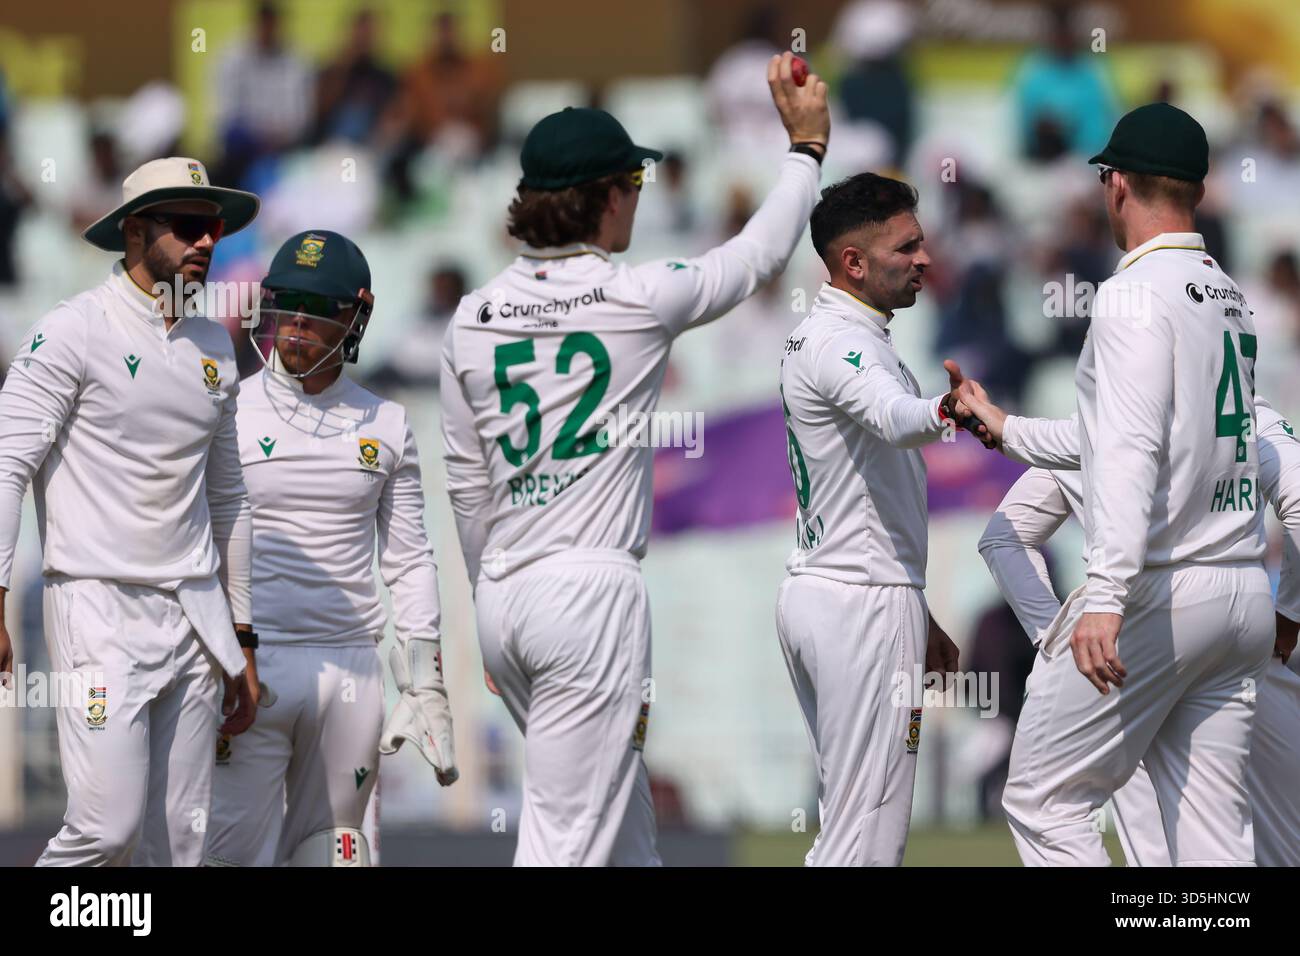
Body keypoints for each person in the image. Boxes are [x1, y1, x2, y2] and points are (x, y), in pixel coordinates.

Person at [440, 53, 829, 866]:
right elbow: (757, 257)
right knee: (567, 843)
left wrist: (491, 600)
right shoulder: (635, 298)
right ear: (606, 197)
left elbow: (467, 483)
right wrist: (805, 152)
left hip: (505, 593)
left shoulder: (471, 318)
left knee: (622, 837)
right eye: (634, 186)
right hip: (588, 592)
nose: (638, 201)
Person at [958, 103, 1274, 865]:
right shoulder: (1226, 294)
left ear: (1118, 184)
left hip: (1163, 591)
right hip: (1239, 594)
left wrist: (1103, 597)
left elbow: (1130, 453)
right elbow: (1133, 436)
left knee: (1043, 800)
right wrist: (1007, 430)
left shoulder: (1131, 294)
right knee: (1210, 837)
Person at [0, 156, 261, 866]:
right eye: (187, 227)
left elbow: (229, 497)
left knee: (177, 846)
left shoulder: (215, 345)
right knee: (105, 831)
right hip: (97, 608)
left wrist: (242, 636)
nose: (207, 242)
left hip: (194, 613)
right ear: (136, 232)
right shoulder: (72, 330)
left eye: (212, 228)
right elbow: (7, 463)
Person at [205, 230, 456, 867]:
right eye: (285, 308)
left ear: (354, 317)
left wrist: (424, 680)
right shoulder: (226, 408)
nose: (294, 329)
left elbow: (408, 558)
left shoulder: (387, 422)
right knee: (228, 856)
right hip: (249, 665)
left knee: (338, 854)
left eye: (314, 313)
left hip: (349, 667)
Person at [976, 398, 1300, 866]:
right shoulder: (1246, 414)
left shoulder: (1092, 423)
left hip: (1131, 648)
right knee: (1241, 841)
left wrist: (1054, 637)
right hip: (1244, 632)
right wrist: (1288, 615)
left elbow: (1004, 537)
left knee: (1055, 808)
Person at [775, 172, 965, 866]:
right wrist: (949, 410)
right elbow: (895, 419)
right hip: (858, 603)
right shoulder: (840, 341)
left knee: (852, 824)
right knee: (869, 835)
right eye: (906, 247)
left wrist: (919, 611)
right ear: (852, 262)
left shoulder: (834, 334)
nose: (924, 259)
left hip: (838, 591)